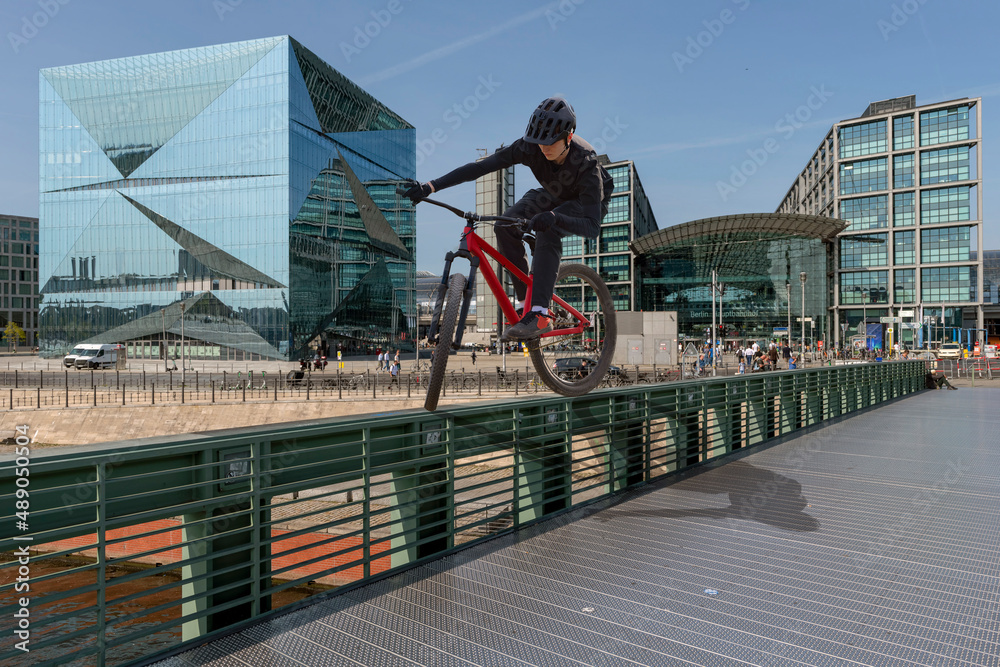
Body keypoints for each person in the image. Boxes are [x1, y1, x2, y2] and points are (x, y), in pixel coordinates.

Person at [404, 96, 613, 341]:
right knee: (505, 224)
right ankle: (526, 303)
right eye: (539, 143)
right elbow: (479, 168)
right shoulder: (529, 146)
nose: (543, 149)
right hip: (552, 194)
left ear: (568, 137)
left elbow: (592, 226)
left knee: (549, 229)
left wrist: (554, 218)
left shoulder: (586, 163)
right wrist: (430, 186)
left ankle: (540, 314)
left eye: (550, 143)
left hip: (585, 202)